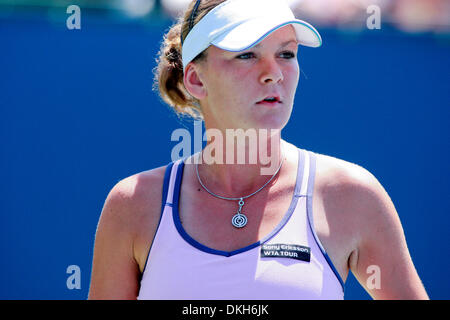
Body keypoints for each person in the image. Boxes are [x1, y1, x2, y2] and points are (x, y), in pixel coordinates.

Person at [88, 0, 429, 300]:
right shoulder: (131, 206)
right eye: (247, 54)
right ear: (195, 79)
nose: (274, 74)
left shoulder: (353, 197)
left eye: (286, 54)